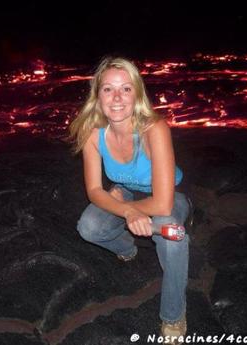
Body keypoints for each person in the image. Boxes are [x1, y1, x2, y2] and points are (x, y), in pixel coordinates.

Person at [68, 57, 189, 344]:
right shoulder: (92, 134)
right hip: (127, 192)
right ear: (98, 96)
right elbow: (95, 191)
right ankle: (127, 248)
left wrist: (128, 210)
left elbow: (161, 203)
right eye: (108, 89)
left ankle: (173, 315)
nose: (117, 98)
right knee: (89, 227)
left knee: (173, 235)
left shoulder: (154, 129)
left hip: (169, 194)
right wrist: (127, 210)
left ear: (137, 93)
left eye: (125, 88)